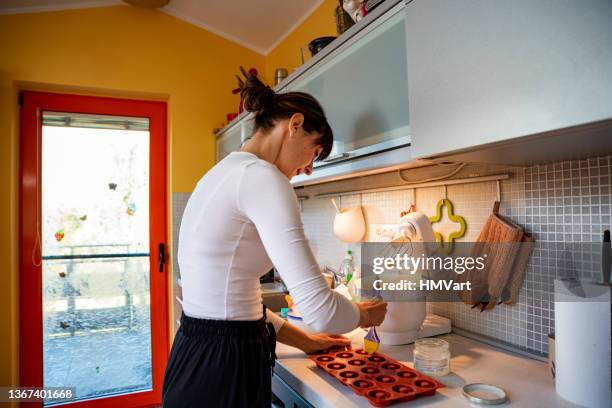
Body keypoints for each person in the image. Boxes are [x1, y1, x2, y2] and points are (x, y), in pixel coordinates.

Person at [162, 74, 387, 407]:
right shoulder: (263, 177)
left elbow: (237, 305)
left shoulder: (222, 173)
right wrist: (365, 315)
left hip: (195, 355)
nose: (309, 168)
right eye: (315, 151)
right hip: (225, 366)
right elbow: (320, 309)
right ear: (294, 125)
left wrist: (306, 342)